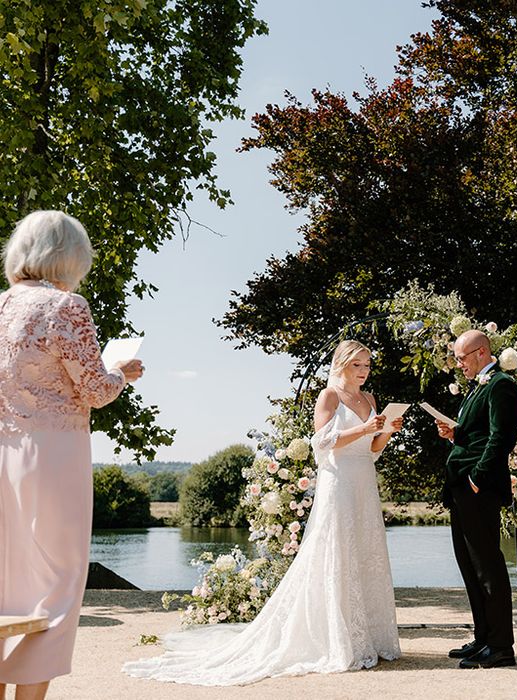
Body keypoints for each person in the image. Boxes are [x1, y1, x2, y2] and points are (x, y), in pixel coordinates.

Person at [123, 339, 402, 685]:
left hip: (363, 478)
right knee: (336, 551)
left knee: (364, 551)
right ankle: (336, 637)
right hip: (339, 480)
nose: (363, 371)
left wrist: (386, 431)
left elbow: (373, 449)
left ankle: (369, 637)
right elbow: (322, 443)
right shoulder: (329, 396)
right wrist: (364, 428)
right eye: (357, 364)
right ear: (342, 364)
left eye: (368, 365)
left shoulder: (371, 400)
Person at [0, 210, 144, 700]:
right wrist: (121, 371)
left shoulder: (0, 306)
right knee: (57, 585)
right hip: (52, 454)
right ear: (70, 257)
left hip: (2, 451)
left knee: (6, 587)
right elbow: (95, 390)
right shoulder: (66, 307)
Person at [435, 329, 517, 669]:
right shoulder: (478, 389)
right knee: (469, 565)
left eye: (462, 358)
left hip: (478, 489)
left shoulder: (501, 385)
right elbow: (478, 434)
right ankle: (483, 637)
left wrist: (477, 479)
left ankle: (501, 647)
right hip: (461, 487)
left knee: (488, 567)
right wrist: (455, 433)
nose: (459, 365)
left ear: (482, 353)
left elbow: (502, 437)